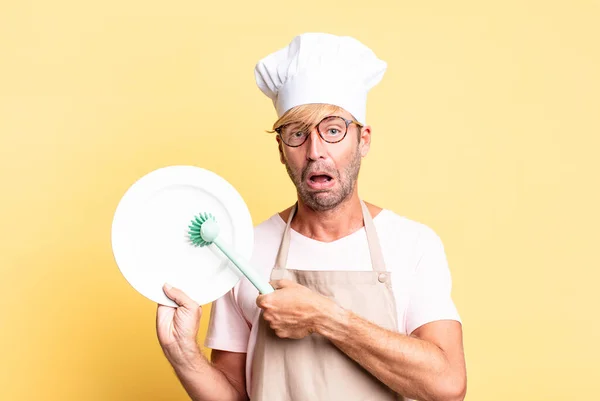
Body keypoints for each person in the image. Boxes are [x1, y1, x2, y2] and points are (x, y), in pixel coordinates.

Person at [156, 32, 466, 401]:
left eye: (333, 130)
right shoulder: (243, 250)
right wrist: (184, 356)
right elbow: (234, 396)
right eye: (298, 134)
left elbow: (447, 386)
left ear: (363, 139)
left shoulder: (413, 244)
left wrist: (327, 318)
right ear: (281, 148)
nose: (316, 150)